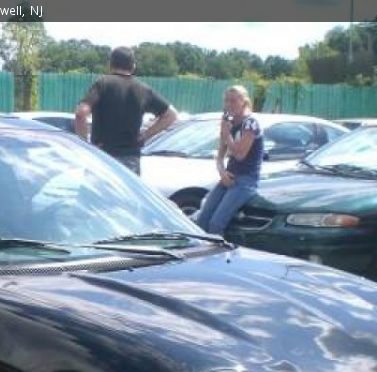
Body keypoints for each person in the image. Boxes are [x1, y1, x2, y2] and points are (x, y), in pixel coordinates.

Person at [75, 46, 178, 175]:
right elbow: (171, 115)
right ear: (133, 66)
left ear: (110, 64)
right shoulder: (143, 89)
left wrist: (86, 144)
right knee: (128, 196)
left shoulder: (102, 84)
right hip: (130, 159)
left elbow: (81, 113)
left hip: (102, 157)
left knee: (98, 195)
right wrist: (144, 136)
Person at [195, 85, 264, 236]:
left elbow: (240, 155)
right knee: (202, 220)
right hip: (229, 177)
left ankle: (218, 255)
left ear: (243, 102)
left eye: (233, 101)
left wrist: (227, 134)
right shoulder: (229, 123)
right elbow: (220, 155)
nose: (229, 105)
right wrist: (222, 172)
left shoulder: (250, 123)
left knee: (216, 224)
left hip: (246, 180)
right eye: (226, 101)